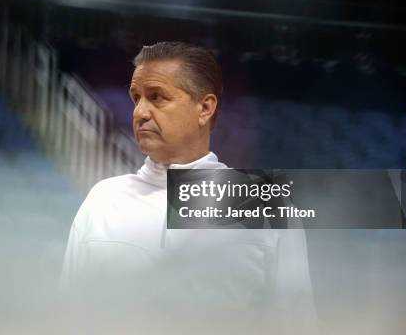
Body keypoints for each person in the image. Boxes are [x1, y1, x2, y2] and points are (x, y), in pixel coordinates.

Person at [61, 42, 318, 332]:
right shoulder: (103, 200)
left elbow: (295, 324)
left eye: (157, 97)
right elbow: (69, 316)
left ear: (205, 108)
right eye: (136, 98)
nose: (140, 113)